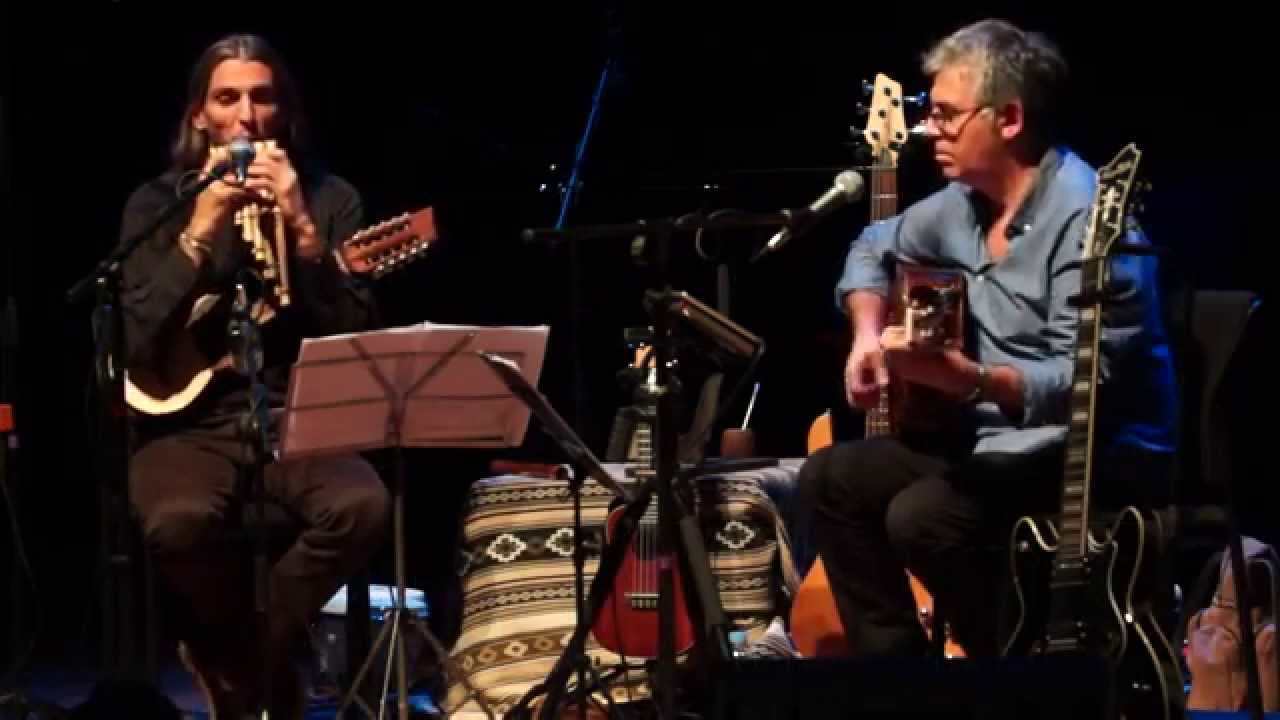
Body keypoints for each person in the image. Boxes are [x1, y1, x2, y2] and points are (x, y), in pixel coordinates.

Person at [797, 18, 1178, 661]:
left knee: (923, 517)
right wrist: (866, 336)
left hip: (1089, 453)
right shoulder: (958, 205)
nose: (929, 130)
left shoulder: (1090, 219)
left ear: (1009, 119)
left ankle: (1013, 669)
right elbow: (871, 247)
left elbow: (1087, 382)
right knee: (832, 478)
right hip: (992, 441)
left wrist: (968, 380)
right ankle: (898, 681)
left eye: (946, 115)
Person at [118, 34, 390, 718]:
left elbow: (355, 335)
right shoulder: (156, 204)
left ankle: (239, 658)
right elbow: (134, 335)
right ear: (199, 115)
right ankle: (258, 666)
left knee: (362, 506)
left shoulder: (330, 198)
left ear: (284, 110)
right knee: (176, 522)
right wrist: (200, 227)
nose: (246, 115)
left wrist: (302, 229)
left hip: (298, 412)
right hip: (188, 422)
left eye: (262, 97)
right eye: (227, 98)